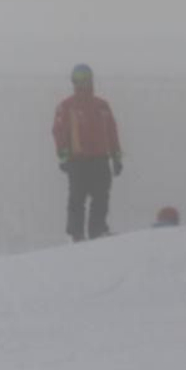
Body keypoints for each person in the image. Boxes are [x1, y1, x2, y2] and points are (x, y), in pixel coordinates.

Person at [52, 64, 123, 242]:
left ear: (91, 79)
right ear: (73, 81)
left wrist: (116, 157)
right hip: (78, 161)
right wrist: (63, 156)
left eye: (85, 78)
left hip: (100, 159)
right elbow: (58, 132)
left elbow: (112, 132)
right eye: (78, 78)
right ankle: (76, 234)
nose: (82, 83)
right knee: (77, 198)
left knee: (101, 197)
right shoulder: (66, 107)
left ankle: (97, 231)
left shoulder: (102, 106)